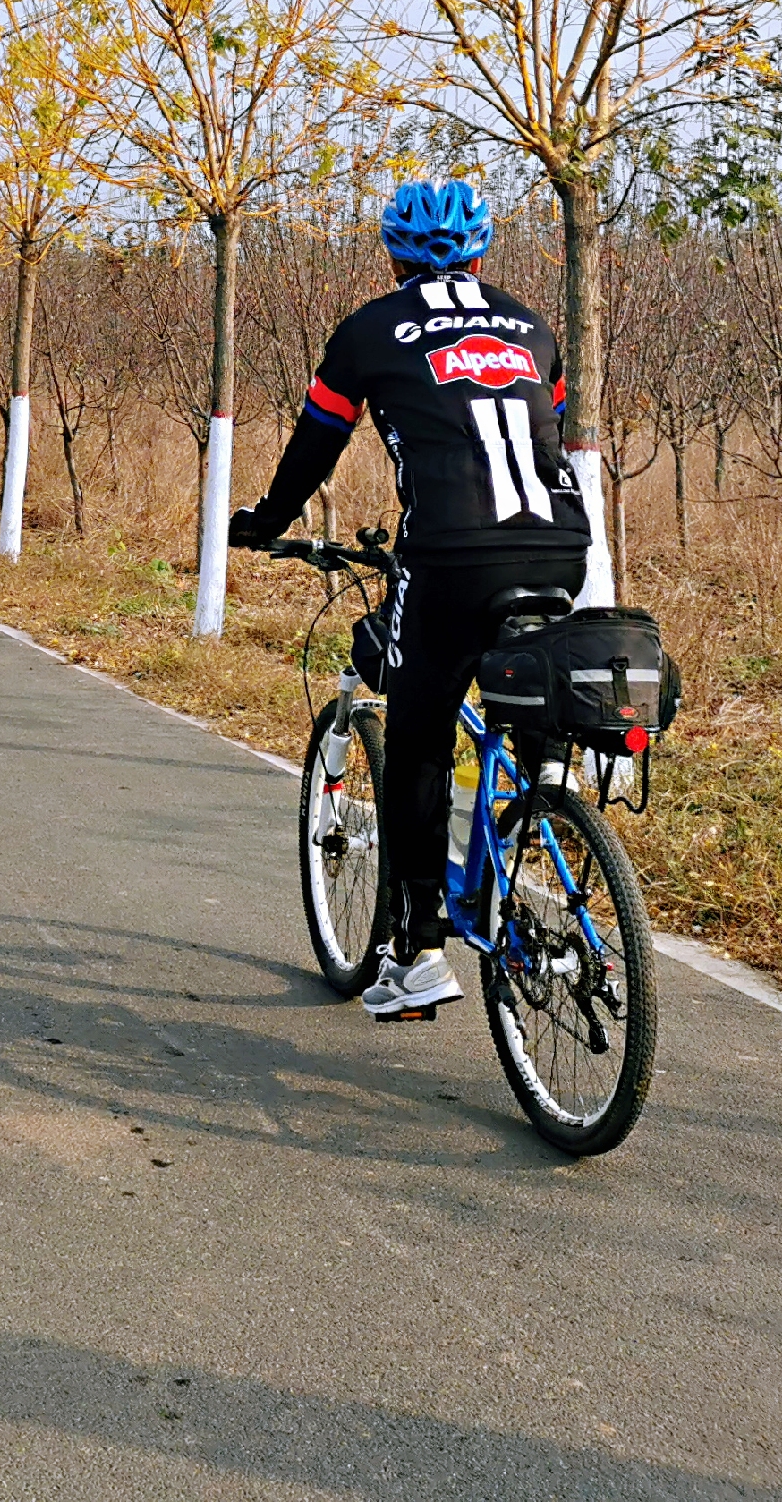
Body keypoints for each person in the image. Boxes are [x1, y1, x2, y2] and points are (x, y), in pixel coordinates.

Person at [225, 179, 589, 1022]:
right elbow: (545, 432)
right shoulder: (532, 328)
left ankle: (421, 950)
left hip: (454, 556)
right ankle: (541, 793)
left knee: (421, 737)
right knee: (516, 690)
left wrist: (265, 521)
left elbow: (319, 439)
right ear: (480, 252)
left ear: (390, 254)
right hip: (564, 548)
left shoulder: (368, 331)